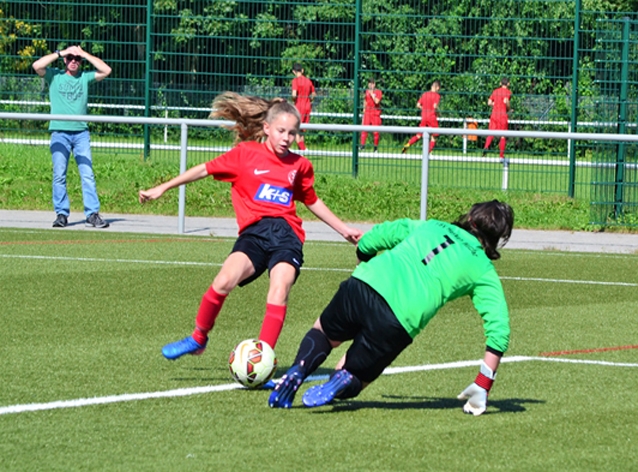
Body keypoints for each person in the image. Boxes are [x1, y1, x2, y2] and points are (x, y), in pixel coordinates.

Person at [139, 92, 362, 360]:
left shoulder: (299, 165)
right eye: (281, 131)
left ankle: (262, 359)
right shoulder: (245, 154)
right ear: (266, 128)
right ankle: (198, 338)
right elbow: (203, 169)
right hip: (254, 234)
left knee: (279, 290)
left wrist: (343, 229)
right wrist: (162, 188)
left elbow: (311, 200)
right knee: (223, 280)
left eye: (292, 133)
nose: (286, 138)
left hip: (287, 236)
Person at [269, 200, 514, 416]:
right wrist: (483, 384)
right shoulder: (483, 269)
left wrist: (363, 258)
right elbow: (499, 329)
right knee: (357, 376)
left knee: (323, 333)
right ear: (498, 238)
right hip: (398, 318)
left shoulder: (431, 226)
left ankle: (299, 368)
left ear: (470, 217)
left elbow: (381, 234)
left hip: (363, 284)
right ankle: (344, 378)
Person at [32, 46, 112, 228]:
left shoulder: (84, 77)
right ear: (65, 60)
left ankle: (92, 214)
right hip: (59, 132)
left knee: (87, 174)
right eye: (70, 58)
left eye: (77, 59)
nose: (73, 61)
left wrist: (84, 54)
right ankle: (61, 214)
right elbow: (37, 66)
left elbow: (106, 70)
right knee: (59, 175)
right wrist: (61, 52)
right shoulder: (55, 75)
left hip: (81, 133)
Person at [402, 80, 441, 154]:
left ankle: (406, 146)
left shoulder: (425, 94)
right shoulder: (437, 95)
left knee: (418, 135)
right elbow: (435, 106)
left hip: (424, 117)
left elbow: (418, 105)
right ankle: (427, 153)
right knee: (434, 137)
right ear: (438, 88)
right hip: (431, 117)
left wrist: (424, 109)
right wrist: (438, 113)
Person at [482, 78, 512, 159]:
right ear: (508, 84)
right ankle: (501, 155)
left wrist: (495, 104)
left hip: (494, 115)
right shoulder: (508, 92)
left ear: (500, 83)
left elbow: (489, 103)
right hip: (502, 116)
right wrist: (509, 109)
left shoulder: (495, 91)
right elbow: (506, 101)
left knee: (491, 132)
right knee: (503, 135)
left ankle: (486, 147)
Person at [291, 63, 316, 151]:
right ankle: (301, 151)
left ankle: (302, 148)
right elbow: (313, 94)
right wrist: (309, 100)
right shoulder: (308, 81)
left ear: (293, 71)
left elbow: (294, 94)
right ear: (302, 70)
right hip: (307, 106)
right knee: (302, 129)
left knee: (295, 129)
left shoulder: (295, 81)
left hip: (299, 106)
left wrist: (293, 100)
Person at [359, 78, 382, 152]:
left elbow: (377, 101)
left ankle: (375, 148)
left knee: (376, 132)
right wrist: (364, 110)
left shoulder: (378, 92)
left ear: (374, 84)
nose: (370, 85)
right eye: (369, 83)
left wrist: (372, 94)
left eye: (372, 83)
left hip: (375, 114)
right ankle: (362, 146)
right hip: (367, 113)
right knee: (364, 130)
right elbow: (365, 100)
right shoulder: (366, 91)